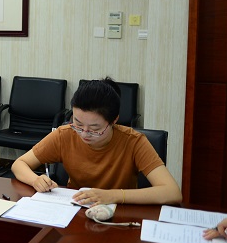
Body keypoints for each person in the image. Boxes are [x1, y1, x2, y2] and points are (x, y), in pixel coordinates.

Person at [11, 78, 182, 206]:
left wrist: (113, 196)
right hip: (75, 209)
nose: (84, 133)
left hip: (119, 213)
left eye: (95, 128)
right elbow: (19, 164)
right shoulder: (65, 135)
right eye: (78, 123)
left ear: (114, 120)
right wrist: (35, 180)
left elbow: (172, 192)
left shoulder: (134, 142)